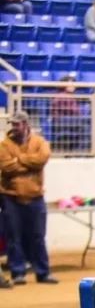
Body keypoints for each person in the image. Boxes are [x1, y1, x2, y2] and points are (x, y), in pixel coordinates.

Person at [0, 112, 56, 285]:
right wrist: (30, 164)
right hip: (11, 197)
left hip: (35, 196)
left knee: (38, 236)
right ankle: (18, 273)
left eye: (17, 124)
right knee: (13, 237)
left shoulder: (40, 142)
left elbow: (42, 159)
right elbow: (6, 167)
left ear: (25, 124)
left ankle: (43, 272)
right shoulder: (4, 145)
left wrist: (19, 160)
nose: (14, 127)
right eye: (12, 124)